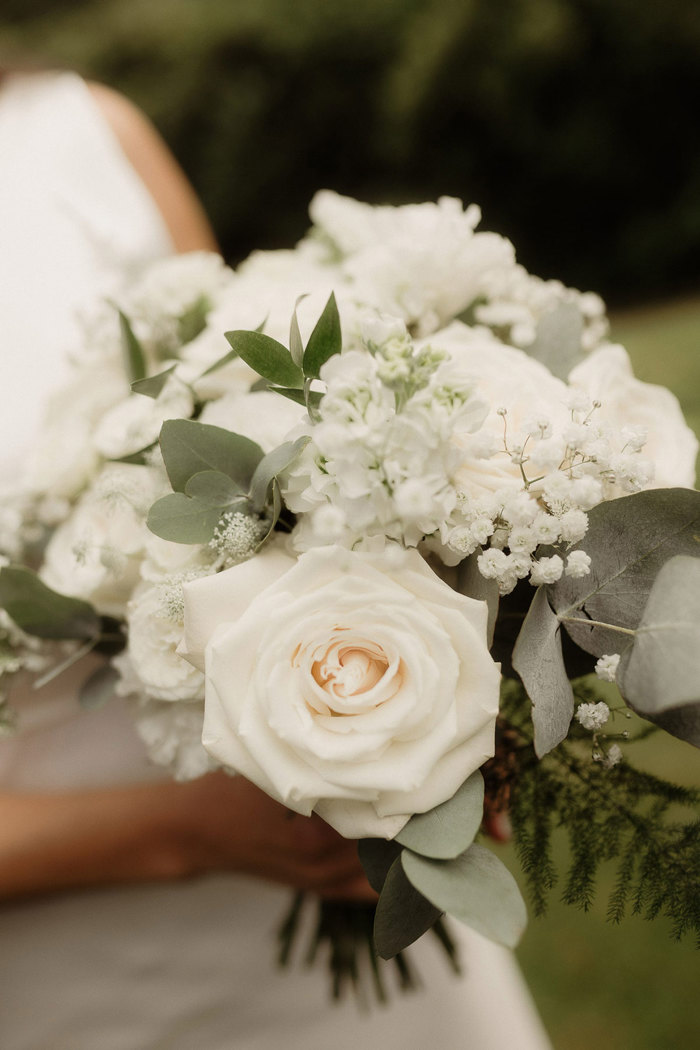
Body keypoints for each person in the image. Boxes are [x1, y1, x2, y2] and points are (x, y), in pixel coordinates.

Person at [0, 69, 553, 1049]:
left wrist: (453, 684)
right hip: (83, 967)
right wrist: (189, 833)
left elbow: (248, 412)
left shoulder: (83, 131)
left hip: (349, 830)